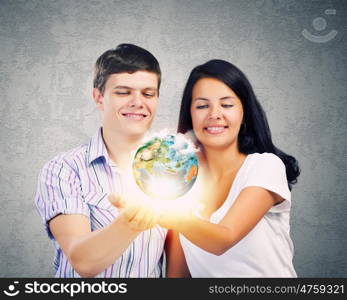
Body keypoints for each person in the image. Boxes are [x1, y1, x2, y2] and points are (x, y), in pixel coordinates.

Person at [35, 43, 166, 278]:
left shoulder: (171, 168)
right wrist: (130, 223)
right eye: (123, 92)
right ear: (98, 97)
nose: (138, 102)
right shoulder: (63, 169)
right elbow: (82, 261)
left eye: (148, 93)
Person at [163, 59, 300, 277]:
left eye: (227, 105)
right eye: (201, 106)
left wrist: (161, 213)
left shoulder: (265, 166)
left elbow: (223, 239)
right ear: (190, 115)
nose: (214, 114)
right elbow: (177, 278)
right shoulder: (180, 185)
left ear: (244, 112)